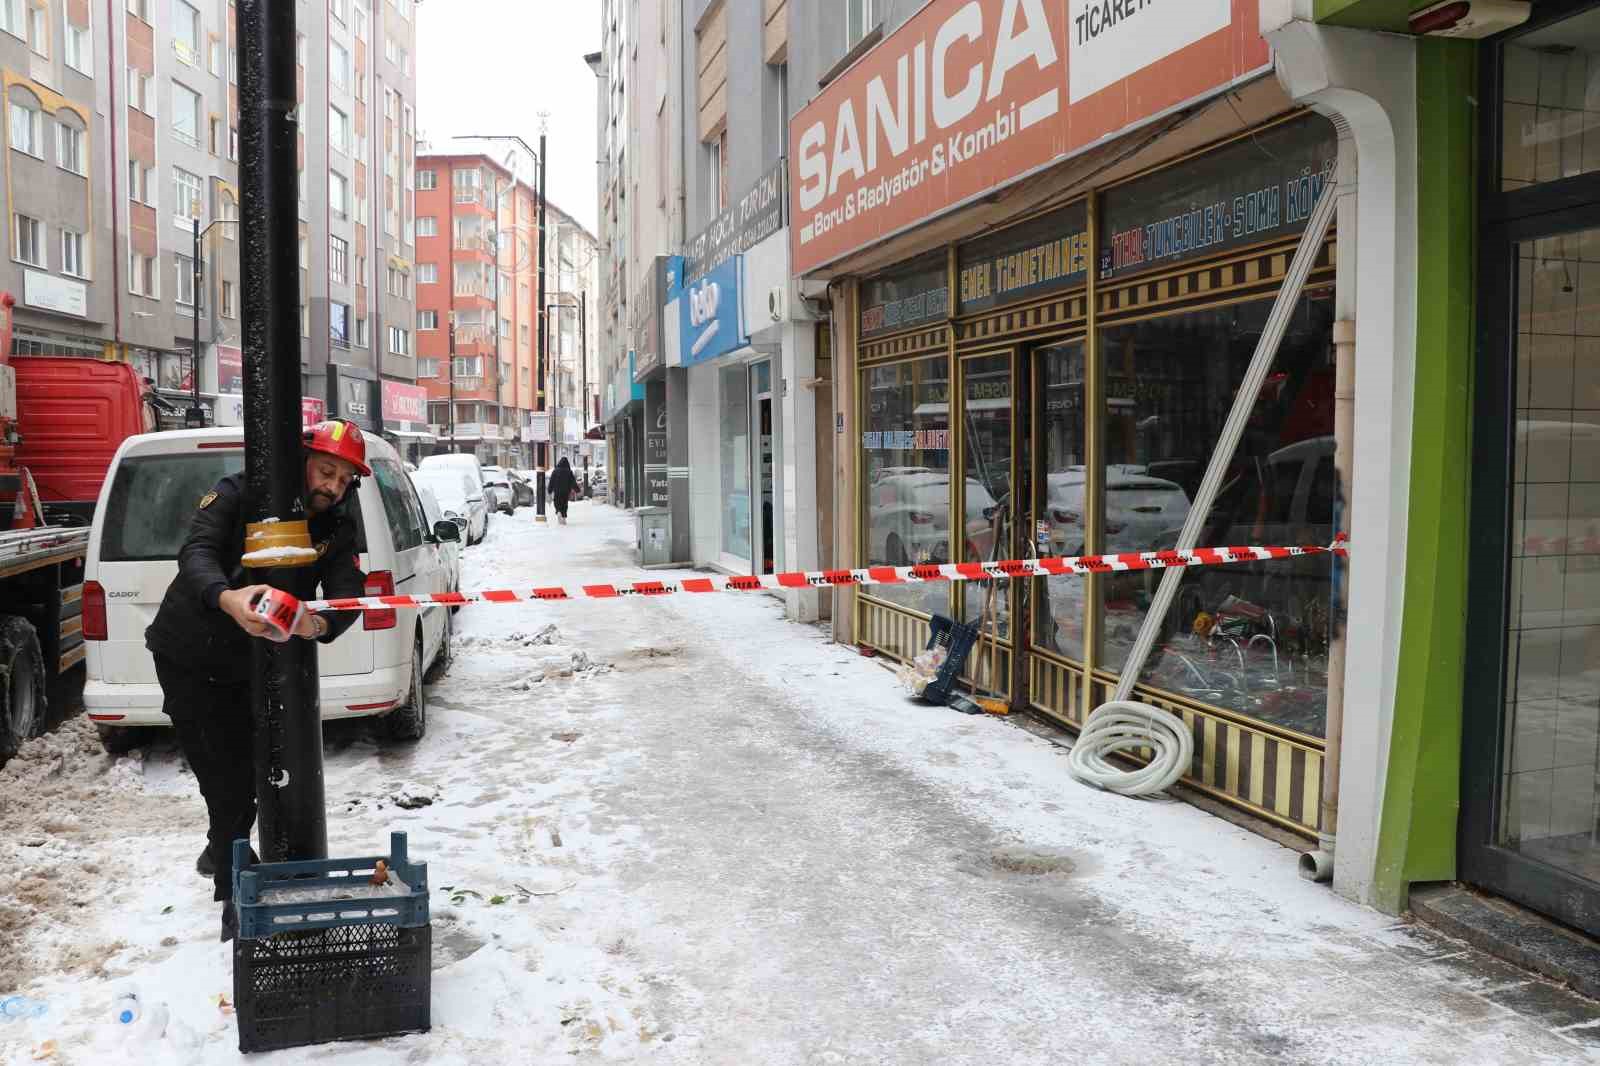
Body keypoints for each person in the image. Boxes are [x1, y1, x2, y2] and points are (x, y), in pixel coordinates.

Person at [144, 419, 371, 941]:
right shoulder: (238, 493)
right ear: (303, 459)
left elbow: (347, 589)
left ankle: (223, 843)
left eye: (344, 479)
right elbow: (195, 553)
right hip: (190, 660)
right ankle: (234, 907)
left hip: (264, 665)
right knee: (229, 786)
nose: (332, 485)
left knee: (263, 773)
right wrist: (227, 597)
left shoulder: (336, 523)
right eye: (326, 470)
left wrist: (315, 624)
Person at [549, 456, 577, 525]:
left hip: (557, 491)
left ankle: (558, 511)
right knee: (564, 504)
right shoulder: (569, 471)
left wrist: (550, 489)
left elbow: (551, 481)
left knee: (557, 502)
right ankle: (564, 518)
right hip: (566, 491)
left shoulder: (555, 471)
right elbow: (573, 482)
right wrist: (577, 489)